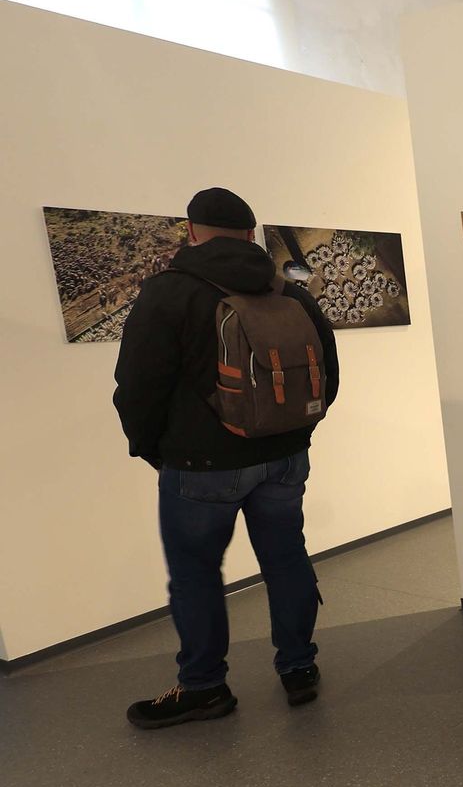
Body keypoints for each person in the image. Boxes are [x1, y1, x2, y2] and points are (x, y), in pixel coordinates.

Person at [114, 188, 339, 729]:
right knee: (286, 560)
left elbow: (137, 387)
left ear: (192, 231)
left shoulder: (166, 293)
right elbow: (326, 377)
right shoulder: (290, 291)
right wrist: (293, 433)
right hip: (284, 459)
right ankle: (299, 669)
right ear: (250, 232)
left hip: (199, 466)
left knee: (196, 575)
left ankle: (204, 687)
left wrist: (154, 451)